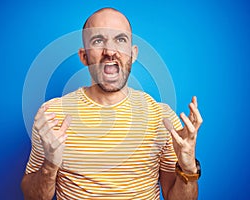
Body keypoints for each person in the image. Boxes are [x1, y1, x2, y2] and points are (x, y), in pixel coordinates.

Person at [21, 7, 203, 200]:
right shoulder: (53, 115)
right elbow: (32, 196)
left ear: (133, 54)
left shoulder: (161, 117)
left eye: (120, 40)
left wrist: (188, 167)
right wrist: (50, 165)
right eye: (98, 41)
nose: (109, 51)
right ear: (84, 56)